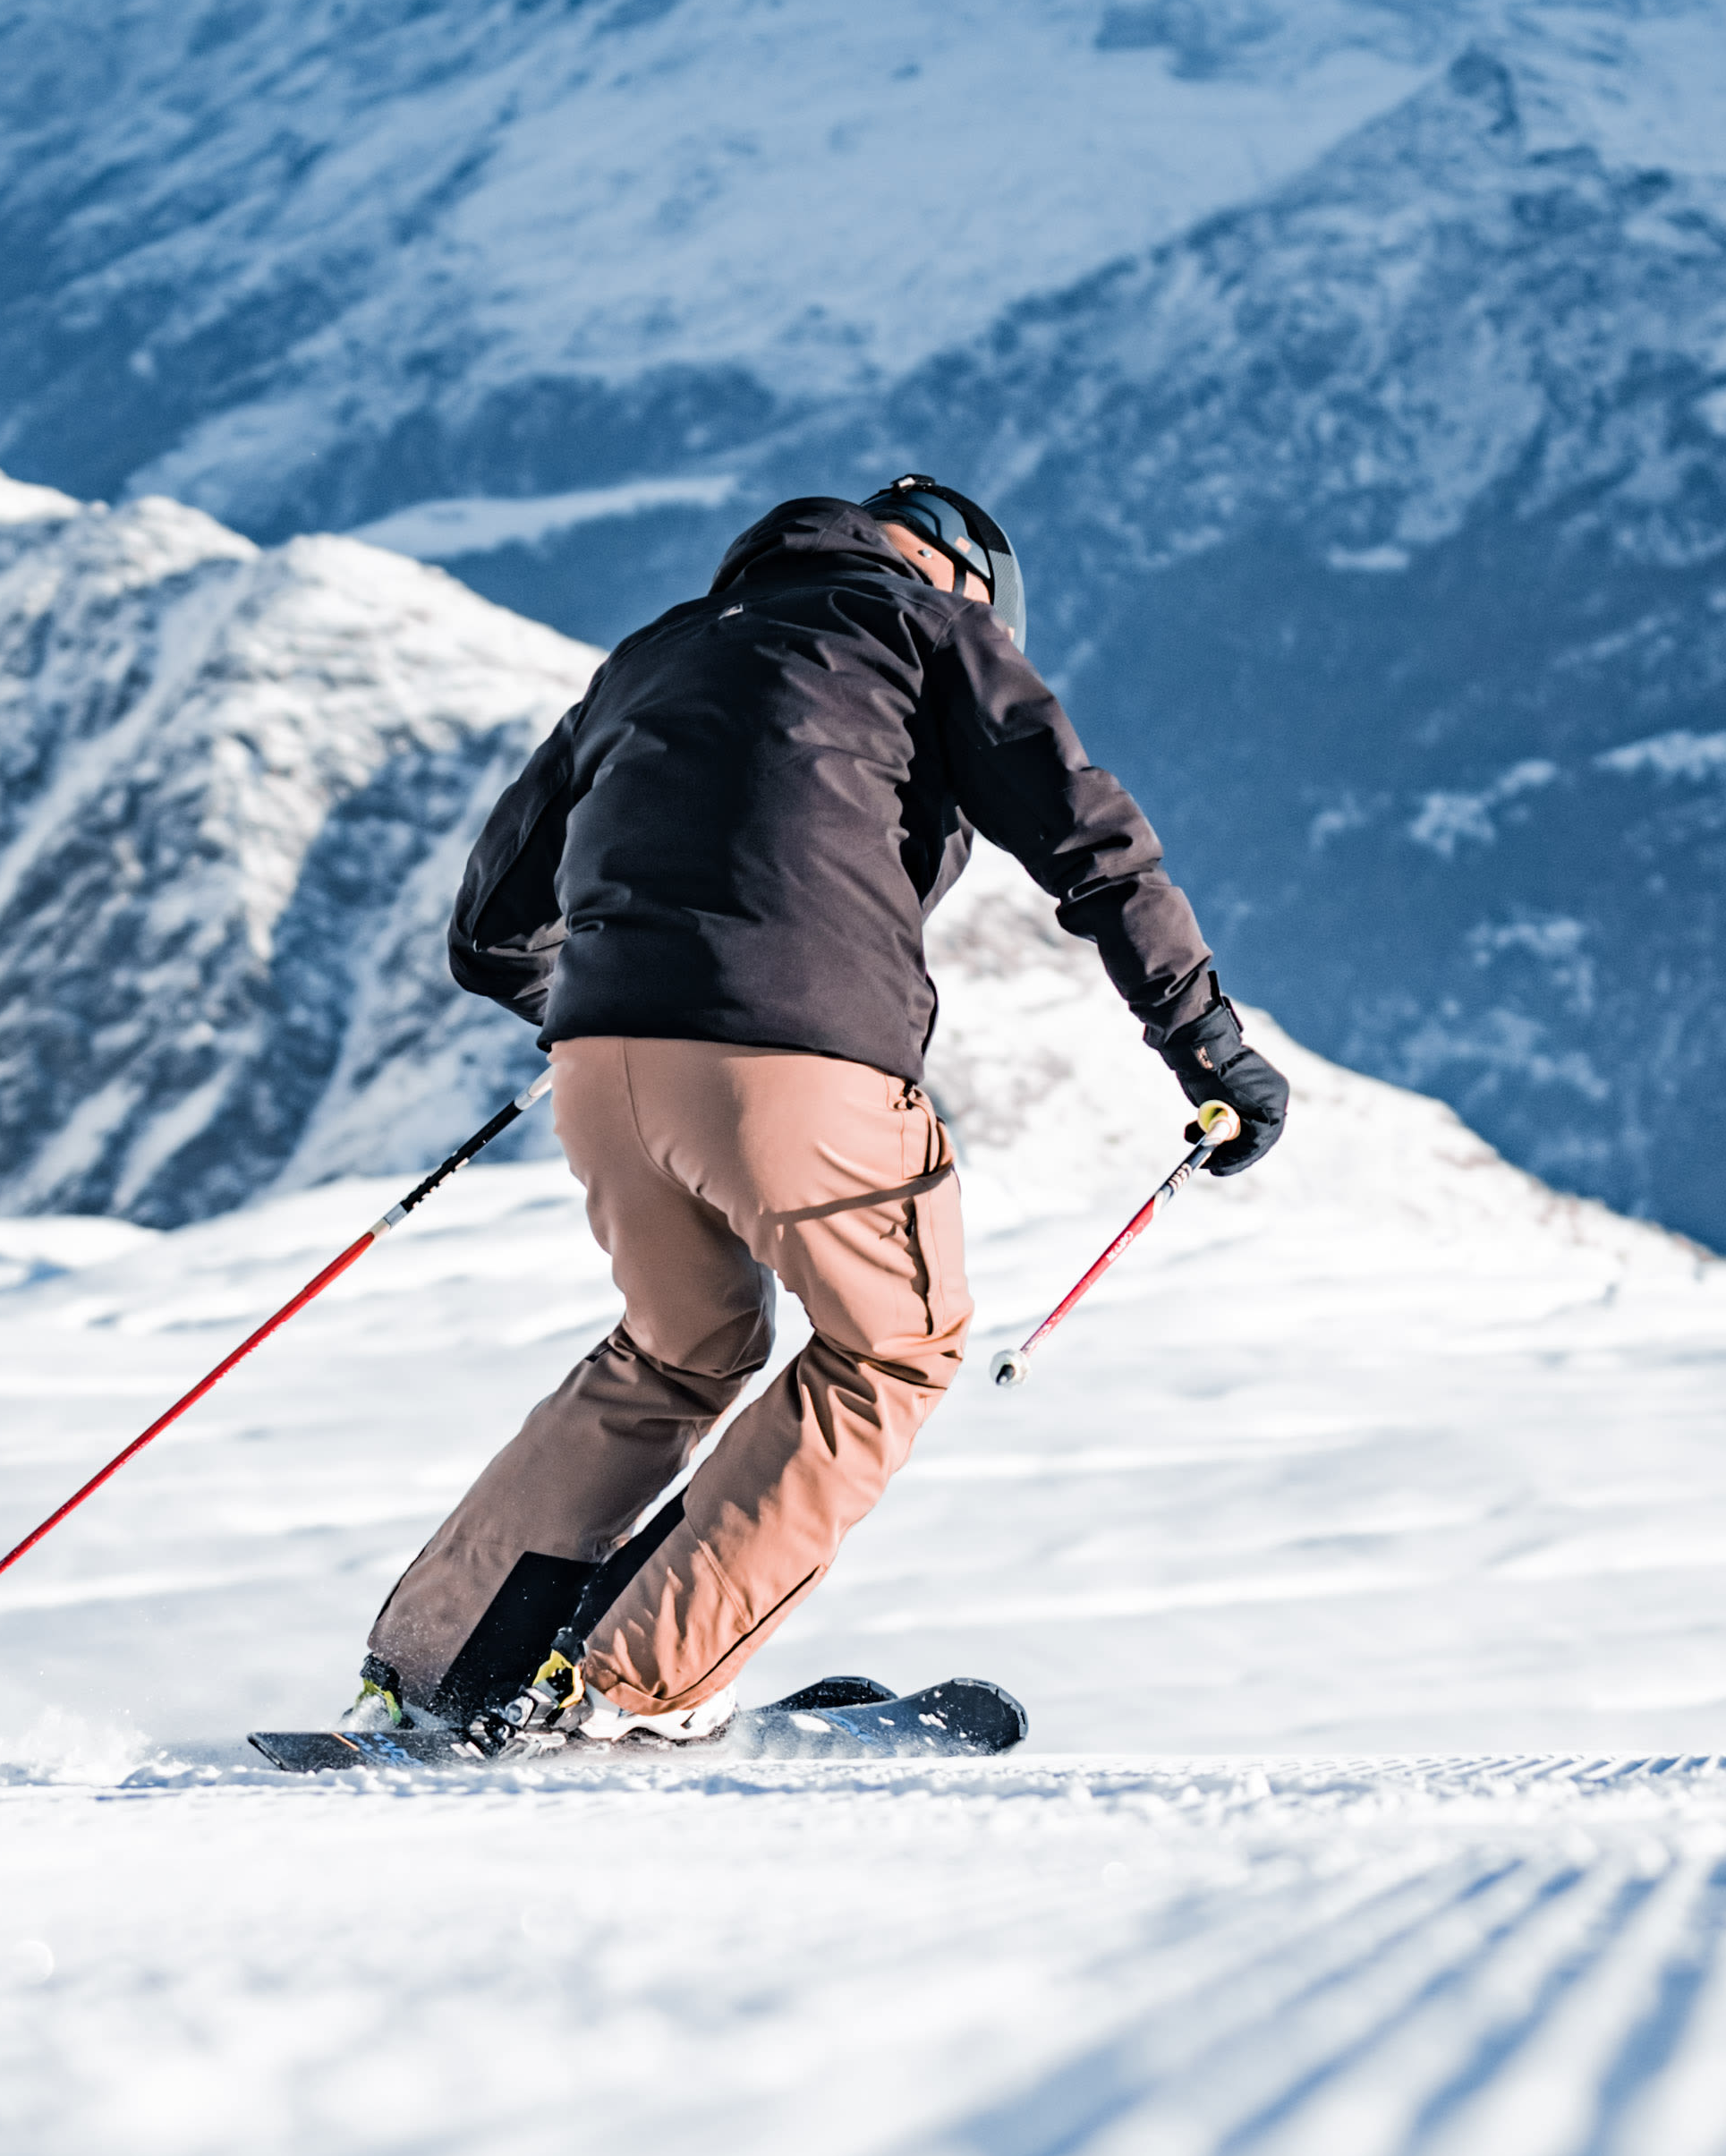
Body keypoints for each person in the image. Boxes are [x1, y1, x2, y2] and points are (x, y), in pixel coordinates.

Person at [346, 476, 1288, 1751]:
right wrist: (1208, 1047)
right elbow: (1094, 845)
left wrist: (627, 1002)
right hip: (796, 1063)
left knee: (680, 1347)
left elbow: (487, 931)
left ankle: (438, 1667)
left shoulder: (653, 651)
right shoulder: (925, 632)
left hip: (604, 1068)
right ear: (960, 582)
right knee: (893, 1346)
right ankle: (628, 1684)